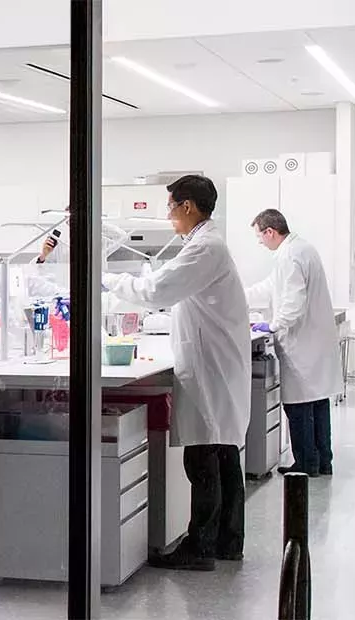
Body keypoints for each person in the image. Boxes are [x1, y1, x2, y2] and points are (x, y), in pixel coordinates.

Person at [101, 175, 251, 571]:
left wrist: (107, 280)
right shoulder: (204, 245)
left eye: (170, 207)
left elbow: (156, 291)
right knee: (220, 454)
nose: (169, 216)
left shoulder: (205, 248)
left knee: (204, 459)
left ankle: (201, 548)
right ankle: (226, 542)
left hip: (211, 366)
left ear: (187, 206)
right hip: (215, 362)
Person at [245, 209, 344, 476]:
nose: (260, 243)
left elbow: (293, 302)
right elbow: (271, 286)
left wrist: (274, 325)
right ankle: (323, 462)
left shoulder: (289, 255)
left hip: (302, 345)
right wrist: (238, 295)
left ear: (270, 232)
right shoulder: (300, 249)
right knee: (318, 403)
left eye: (260, 237)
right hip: (313, 344)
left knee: (299, 406)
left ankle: (305, 465)